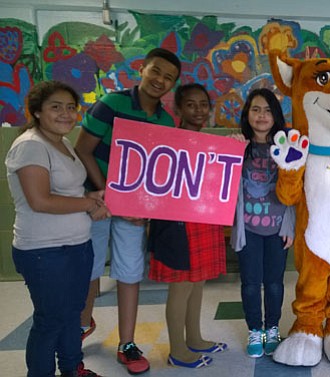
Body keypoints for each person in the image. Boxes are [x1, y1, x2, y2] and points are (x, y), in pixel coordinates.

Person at [75, 47, 181, 375]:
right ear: (142, 70)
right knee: (88, 270)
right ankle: (79, 328)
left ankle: (128, 343)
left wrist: (145, 207)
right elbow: (83, 150)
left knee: (130, 272)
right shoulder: (112, 104)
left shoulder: (166, 120)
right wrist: (106, 196)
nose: (160, 81)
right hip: (95, 203)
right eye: (156, 72)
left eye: (168, 78)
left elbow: (158, 174)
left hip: (132, 212)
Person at [5, 80, 110, 377]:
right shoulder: (29, 146)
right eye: (55, 107)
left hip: (77, 245)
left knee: (71, 316)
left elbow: (68, 192)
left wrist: (89, 196)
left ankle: (72, 369)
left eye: (70, 108)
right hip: (44, 251)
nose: (65, 114)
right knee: (50, 320)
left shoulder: (61, 142)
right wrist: (88, 205)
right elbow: (41, 201)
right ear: (37, 111)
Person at [146, 83, 229, 369]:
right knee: (180, 286)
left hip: (203, 221)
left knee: (198, 283)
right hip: (177, 226)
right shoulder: (168, 143)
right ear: (178, 109)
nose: (198, 110)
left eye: (203, 104)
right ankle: (177, 350)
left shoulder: (208, 144)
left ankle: (194, 337)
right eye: (191, 105)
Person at [230, 88, 295, 358]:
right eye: (256, 109)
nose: (261, 115)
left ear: (276, 116)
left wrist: (290, 225)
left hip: (278, 228)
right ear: (247, 113)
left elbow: (293, 189)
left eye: (268, 110)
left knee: (275, 282)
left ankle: (273, 328)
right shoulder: (238, 146)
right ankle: (255, 329)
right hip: (248, 230)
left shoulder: (286, 146)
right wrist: (231, 150)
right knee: (250, 282)